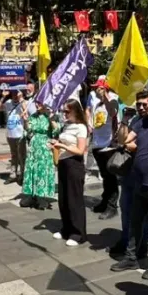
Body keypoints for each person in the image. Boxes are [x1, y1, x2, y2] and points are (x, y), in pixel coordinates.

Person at [112, 90, 148, 281]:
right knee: (135, 222)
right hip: (139, 182)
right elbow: (125, 140)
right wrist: (125, 124)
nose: (146, 105)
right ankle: (132, 256)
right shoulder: (142, 122)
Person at [51, 100, 91, 246]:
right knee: (64, 198)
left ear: (75, 111)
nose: (65, 114)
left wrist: (61, 145)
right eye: (63, 111)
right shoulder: (66, 126)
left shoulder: (81, 127)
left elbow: (80, 150)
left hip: (74, 164)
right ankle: (66, 228)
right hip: (63, 163)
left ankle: (78, 233)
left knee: (74, 199)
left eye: (67, 111)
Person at [89, 79, 120, 218]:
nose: (96, 90)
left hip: (108, 146)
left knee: (110, 178)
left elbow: (112, 112)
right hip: (97, 144)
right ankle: (104, 201)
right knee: (104, 177)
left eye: (99, 88)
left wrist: (106, 98)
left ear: (105, 89)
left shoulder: (113, 100)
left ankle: (112, 207)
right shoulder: (97, 103)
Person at [22, 102, 58, 210]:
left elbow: (57, 131)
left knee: (42, 171)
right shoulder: (33, 116)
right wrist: (25, 121)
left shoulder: (50, 115)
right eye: (36, 103)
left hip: (45, 147)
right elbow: (28, 130)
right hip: (34, 146)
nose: (37, 105)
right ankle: (32, 195)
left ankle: (41, 196)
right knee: (32, 170)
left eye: (39, 103)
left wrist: (52, 120)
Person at [0, 88, 32, 183]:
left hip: (20, 133)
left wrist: (21, 98)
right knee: (13, 155)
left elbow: (27, 111)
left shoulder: (24, 102)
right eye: (13, 93)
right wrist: (3, 97)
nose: (15, 95)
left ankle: (22, 175)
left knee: (22, 156)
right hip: (10, 134)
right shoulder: (8, 102)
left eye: (16, 93)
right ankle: (13, 174)